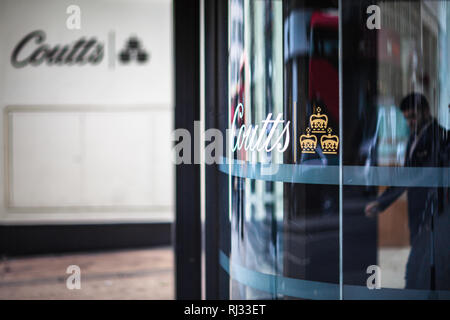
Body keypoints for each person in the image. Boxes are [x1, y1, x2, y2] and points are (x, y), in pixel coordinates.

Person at [365, 92, 450, 289]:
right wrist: (382, 201)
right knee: (423, 269)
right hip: (419, 213)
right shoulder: (413, 138)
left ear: (426, 112)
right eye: (407, 118)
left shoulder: (439, 137)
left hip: (433, 214)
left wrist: (383, 201)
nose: (410, 122)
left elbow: (420, 177)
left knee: (420, 271)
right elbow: (405, 177)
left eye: (413, 116)